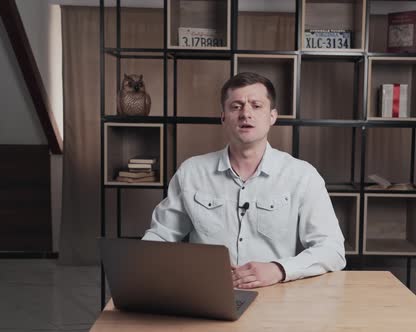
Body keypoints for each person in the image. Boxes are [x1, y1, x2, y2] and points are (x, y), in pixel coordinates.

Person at [142, 72, 346, 289]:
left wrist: (279, 269)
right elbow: (161, 237)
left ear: (272, 116)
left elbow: (332, 250)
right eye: (236, 106)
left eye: (256, 106)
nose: (245, 113)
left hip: (278, 296)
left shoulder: (303, 176)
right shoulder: (191, 172)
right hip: (207, 292)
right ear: (223, 117)